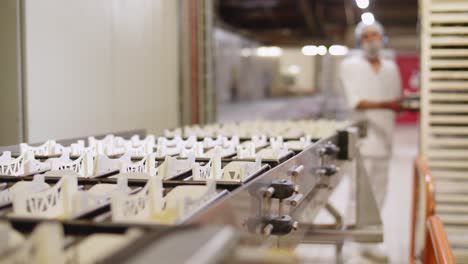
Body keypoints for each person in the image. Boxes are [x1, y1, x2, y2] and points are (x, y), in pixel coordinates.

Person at [339, 21, 402, 261]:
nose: (371, 40)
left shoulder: (391, 68)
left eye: (375, 35)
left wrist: (403, 105)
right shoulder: (350, 66)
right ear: (359, 41)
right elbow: (355, 102)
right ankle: (349, 245)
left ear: (383, 38)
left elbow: (395, 101)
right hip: (361, 142)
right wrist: (389, 105)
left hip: (385, 141)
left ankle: (369, 242)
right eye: (366, 36)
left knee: (379, 195)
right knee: (358, 195)